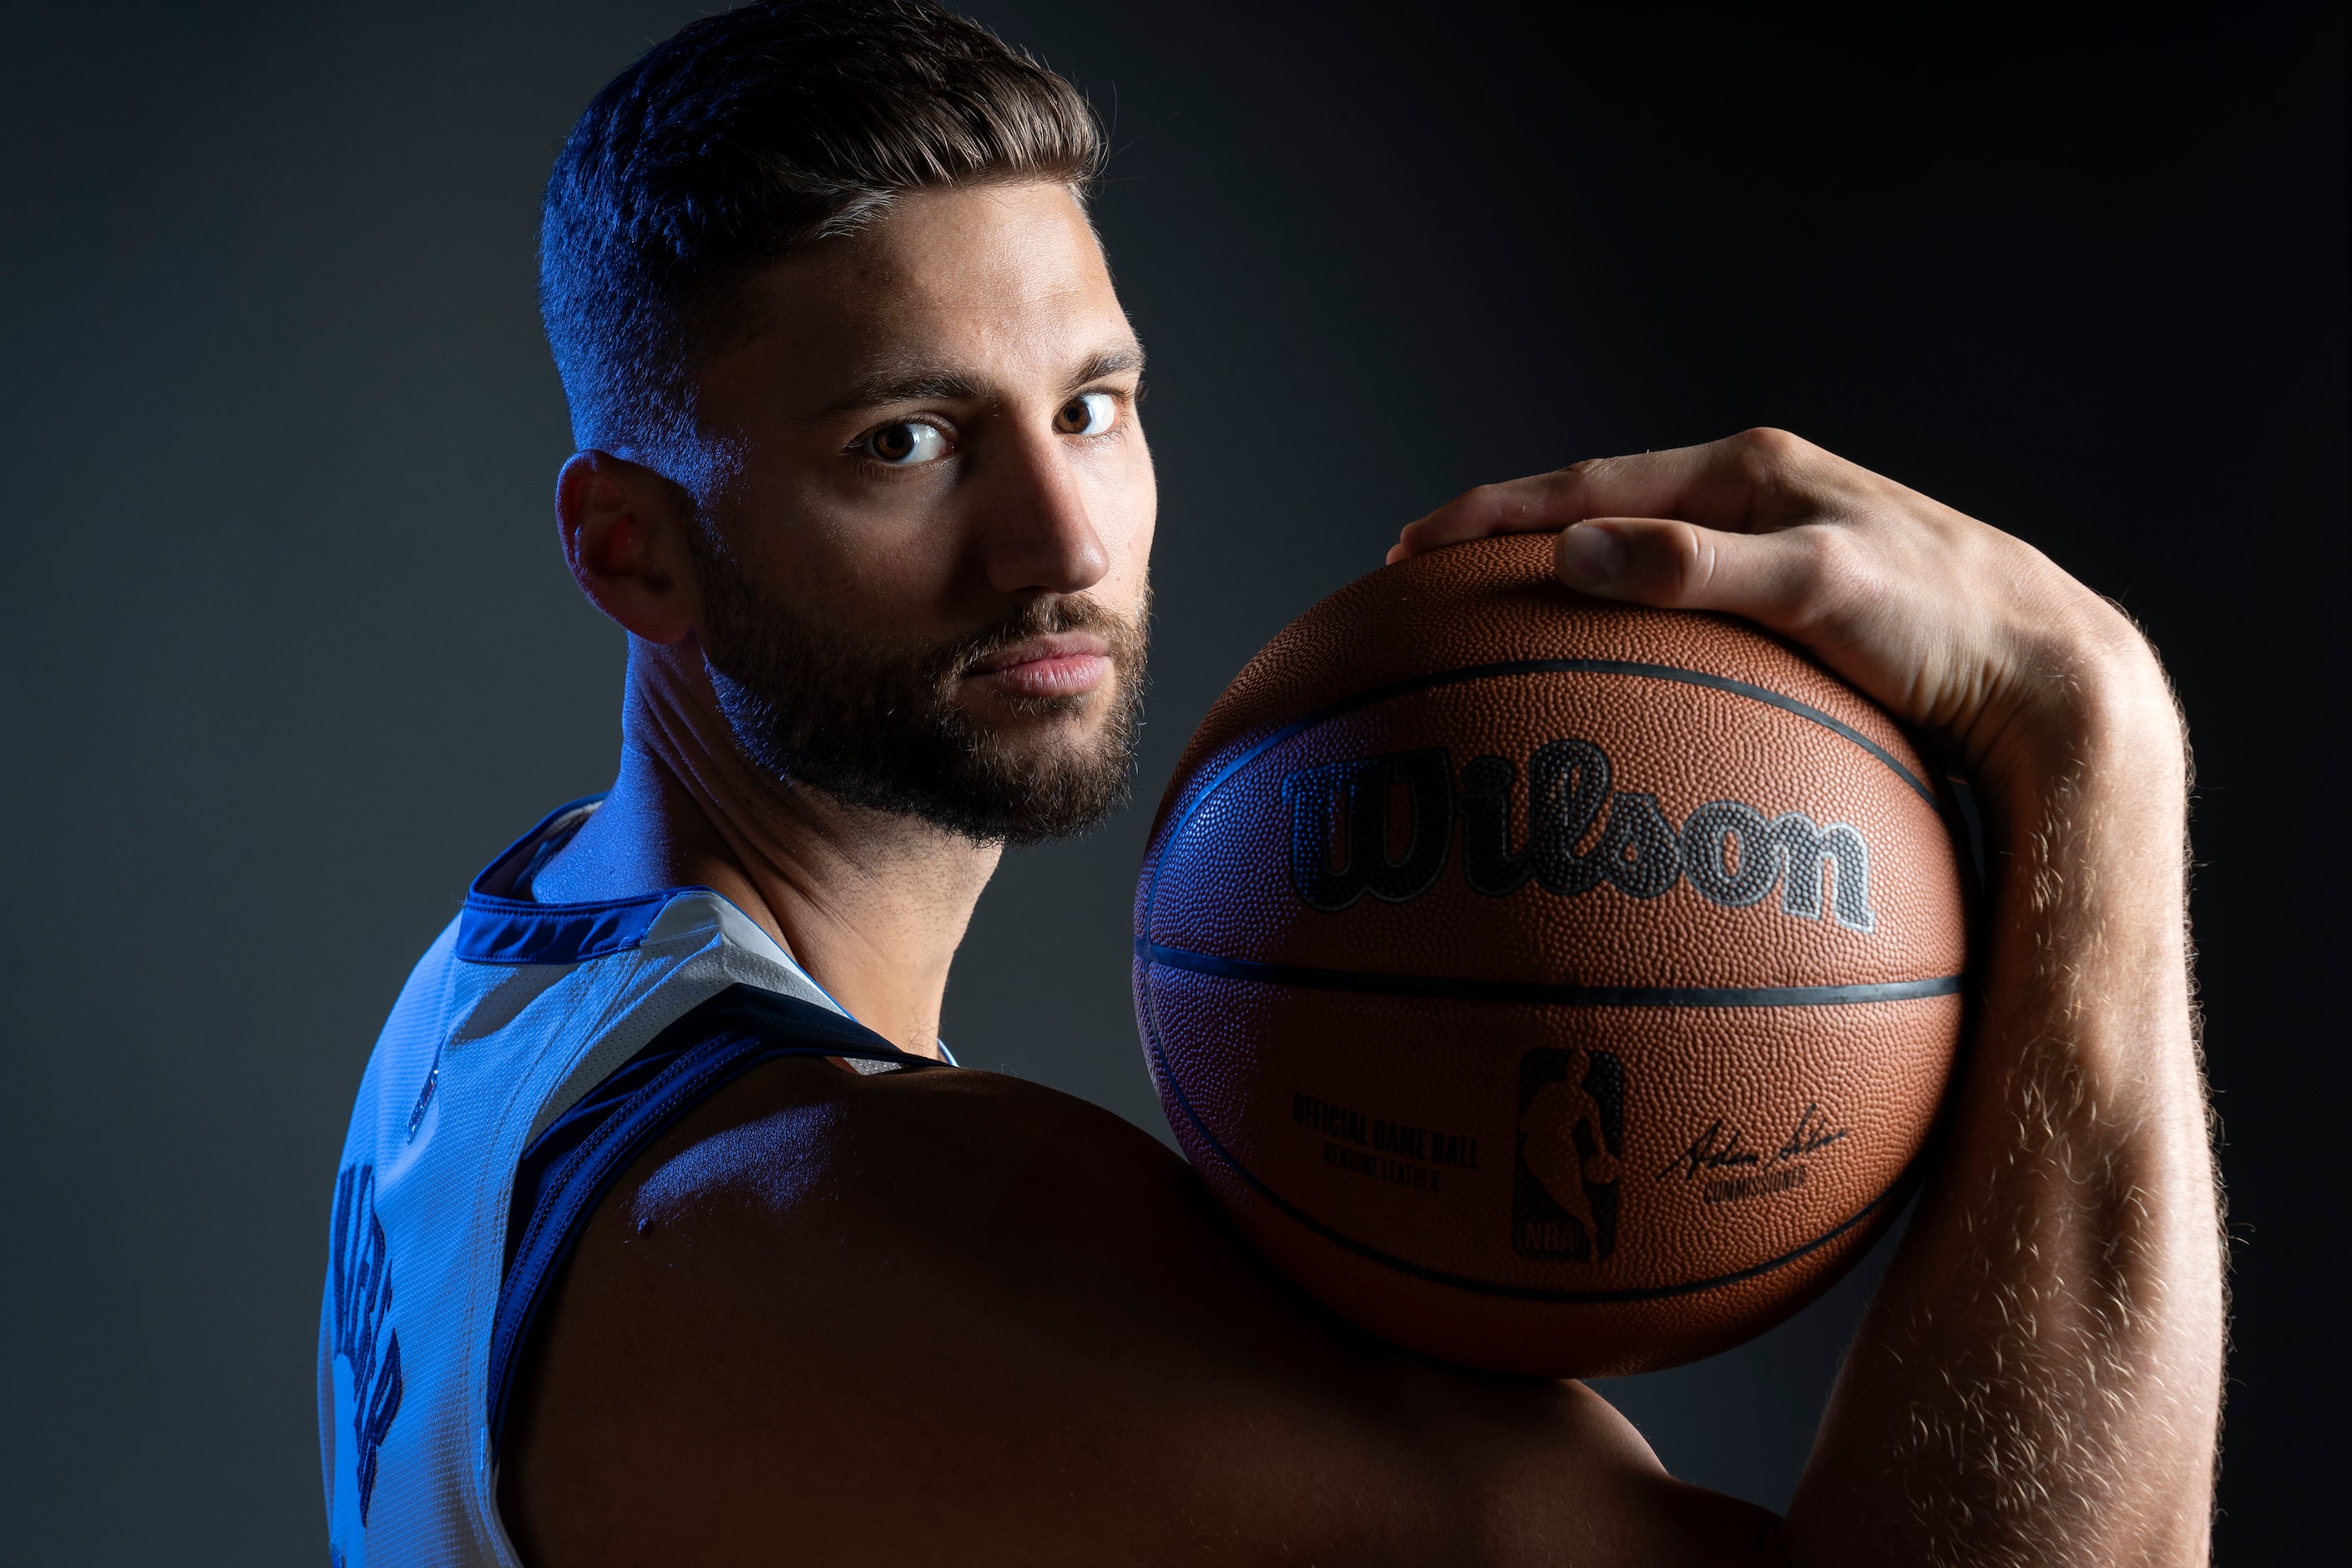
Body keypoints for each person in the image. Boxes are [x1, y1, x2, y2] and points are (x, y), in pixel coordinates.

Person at [316, 3, 2223, 1562]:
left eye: (1088, 407)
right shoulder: (851, 1229)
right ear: (627, 549)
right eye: (903, 442)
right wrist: (2094, 741)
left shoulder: (512, 978)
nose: (1059, 540)